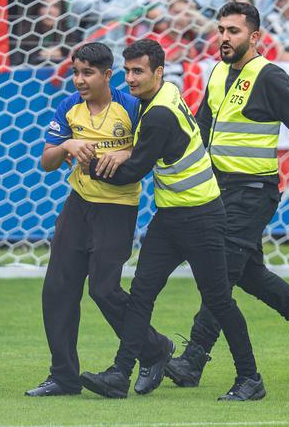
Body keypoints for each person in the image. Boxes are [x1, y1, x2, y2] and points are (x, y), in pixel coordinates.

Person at [164, 2, 289, 388]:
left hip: (252, 193)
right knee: (248, 274)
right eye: (221, 30)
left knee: (219, 276)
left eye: (233, 31)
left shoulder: (270, 77)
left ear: (255, 37)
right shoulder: (217, 74)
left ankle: (194, 359)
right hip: (218, 192)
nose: (225, 38)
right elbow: (201, 131)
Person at [79, 39, 265, 402]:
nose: (130, 79)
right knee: (142, 294)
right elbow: (143, 151)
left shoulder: (159, 114)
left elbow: (133, 172)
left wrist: (91, 167)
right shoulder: (164, 95)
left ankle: (250, 378)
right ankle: (120, 373)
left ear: (158, 73)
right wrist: (120, 152)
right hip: (171, 217)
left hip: (201, 217)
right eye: (128, 70)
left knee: (218, 299)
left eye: (138, 71)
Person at [25, 42, 173, 398]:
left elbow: (155, 148)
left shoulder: (132, 107)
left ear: (108, 75)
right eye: (75, 72)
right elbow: (46, 161)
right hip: (78, 205)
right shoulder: (69, 108)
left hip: (118, 209)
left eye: (87, 73)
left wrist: (127, 151)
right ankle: (63, 376)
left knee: (103, 290)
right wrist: (66, 148)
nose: (79, 80)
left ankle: (155, 349)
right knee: (58, 289)